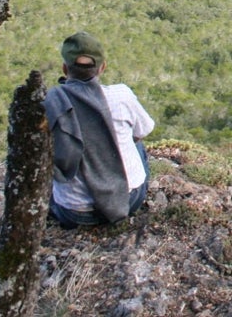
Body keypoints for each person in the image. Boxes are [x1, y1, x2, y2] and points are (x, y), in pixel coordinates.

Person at [45, 31, 155, 228]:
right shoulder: (122, 96)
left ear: (64, 68)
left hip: (73, 212)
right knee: (136, 143)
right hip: (129, 201)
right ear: (102, 67)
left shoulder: (51, 103)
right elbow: (143, 131)